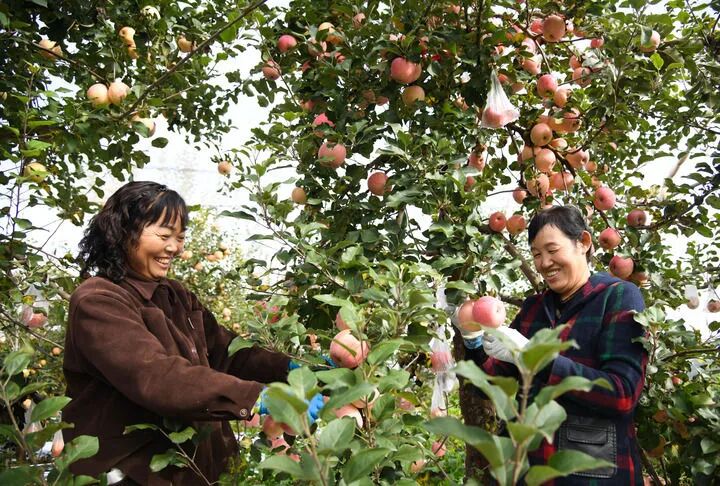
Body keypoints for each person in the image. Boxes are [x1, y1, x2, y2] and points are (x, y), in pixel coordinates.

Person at [62, 181, 310, 485]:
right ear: (123, 232)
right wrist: (257, 397)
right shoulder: (99, 301)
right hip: (133, 476)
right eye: (164, 235)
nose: (175, 248)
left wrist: (293, 370)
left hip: (199, 472)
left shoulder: (175, 295)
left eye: (180, 237)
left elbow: (228, 353)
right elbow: (156, 375)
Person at [456, 205, 647, 485]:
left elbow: (622, 394)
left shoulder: (618, 297)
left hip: (589, 475)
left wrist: (536, 358)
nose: (544, 263)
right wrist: (472, 340)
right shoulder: (534, 308)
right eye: (536, 254)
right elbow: (490, 385)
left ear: (583, 242)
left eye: (552, 250)